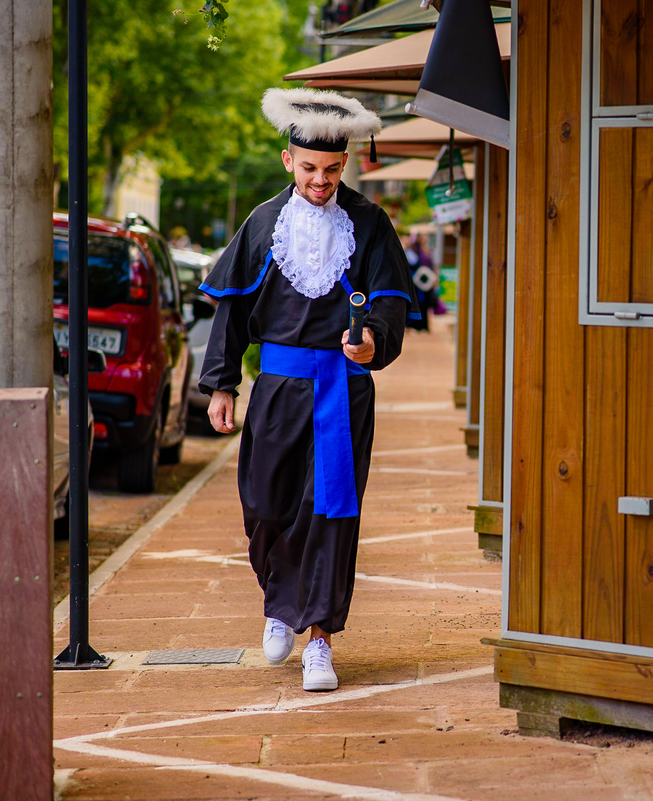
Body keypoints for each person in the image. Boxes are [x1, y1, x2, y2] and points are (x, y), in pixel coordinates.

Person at [198, 88, 419, 691]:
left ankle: (319, 638)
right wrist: (221, 385)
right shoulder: (262, 223)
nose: (320, 180)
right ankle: (278, 604)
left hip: (343, 393)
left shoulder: (370, 224)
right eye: (309, 168)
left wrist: (372, 342)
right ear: (288, 161)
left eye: (332, 170)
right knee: (266, 505)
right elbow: (231, 312)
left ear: (344, 164)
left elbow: (391, 304)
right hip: (275, 388)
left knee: (331, 514)